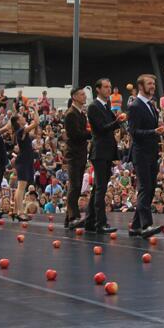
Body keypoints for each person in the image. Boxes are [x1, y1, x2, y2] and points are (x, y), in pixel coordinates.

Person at [127, 74, 164, 239]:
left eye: (153, 84)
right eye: (149, 84)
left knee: (150, 188)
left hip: (151, 152)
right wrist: (154, 132)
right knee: (145, 188)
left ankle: (135, 226)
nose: (153, 86)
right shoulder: (135, 106)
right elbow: (133, 132)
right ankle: (146, 225)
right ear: (141, 87)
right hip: (140, 152)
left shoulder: (152, 105)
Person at [86, 78, 125, 234]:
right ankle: (100, 223)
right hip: (100, 151)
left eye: (110, 87)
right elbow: (101, 129)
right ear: (98, 89)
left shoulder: (105, 106)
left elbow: (109, 125)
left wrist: (117, 121)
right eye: (106, 87)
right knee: (101, 188)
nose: (109, 90)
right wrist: (117, 122)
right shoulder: (94, 107)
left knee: (98, 188)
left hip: (105, 151)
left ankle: (90, 221)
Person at [63, 86, 92, 230]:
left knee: (77, 185)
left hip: (80, 153)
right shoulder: (71, 114)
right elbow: (75, 135)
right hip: (74, 154)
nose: (84, 97)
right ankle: (73, 217)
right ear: (74, 97)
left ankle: (69, 218)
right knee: (74, 186)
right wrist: (91, 133)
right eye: (81, 94)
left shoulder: (80, 114)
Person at [10, 102, 39, 222]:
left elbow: (35, 132)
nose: (23, 118)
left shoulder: (22, 131)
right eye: (21, 117)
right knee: (21, 187)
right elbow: (36, 122)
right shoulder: (21, 131)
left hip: (25, 160)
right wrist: (36, 110)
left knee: (20, 187)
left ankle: (16, 211)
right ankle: (20, 212)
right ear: (18, 121)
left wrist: (35, 123)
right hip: (23, 160)